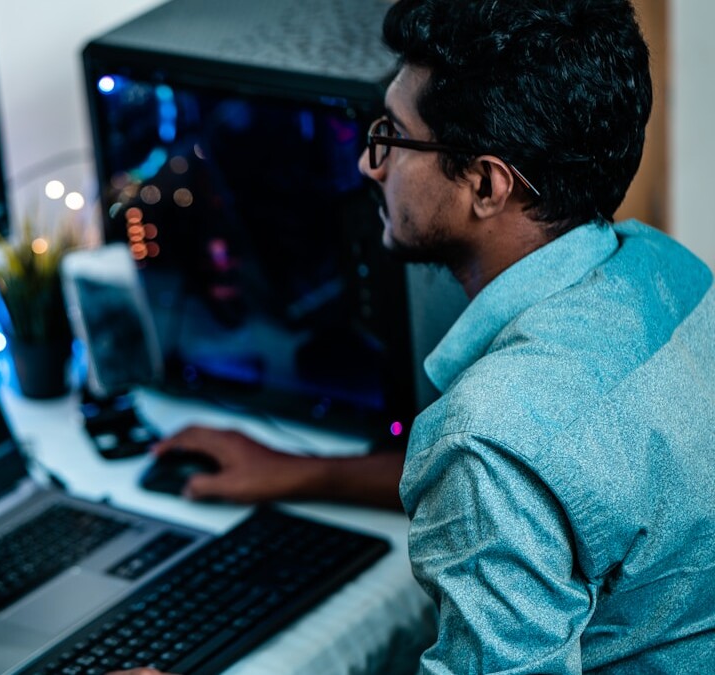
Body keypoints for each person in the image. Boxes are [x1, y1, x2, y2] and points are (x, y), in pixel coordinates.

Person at [109, 0, 715, 672]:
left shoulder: (488, 439)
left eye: (394, 137)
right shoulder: (668, 271)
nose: (371, 165)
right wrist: (299, 470)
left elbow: (505, 461)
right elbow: (555, 480)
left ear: (485, 184)